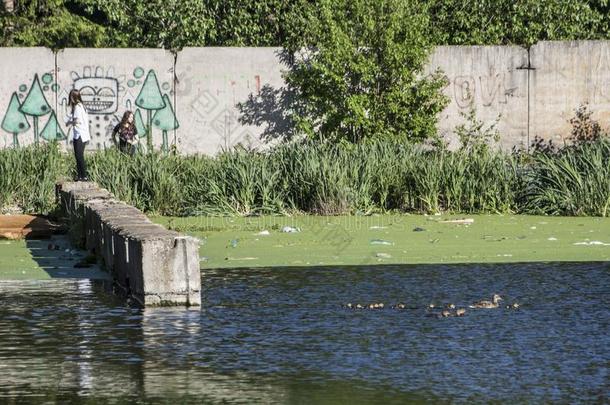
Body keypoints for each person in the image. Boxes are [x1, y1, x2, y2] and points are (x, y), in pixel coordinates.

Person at [64, 89, 90, 181]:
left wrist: (69, 122)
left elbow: (77, 120)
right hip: (81, 134)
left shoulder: (78, 107)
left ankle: (84, 176)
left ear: (73, 97)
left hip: (80, 134)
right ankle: (80, 176)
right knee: (78, 156)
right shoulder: (81, 106)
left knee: (79, 156)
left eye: (70, 97)